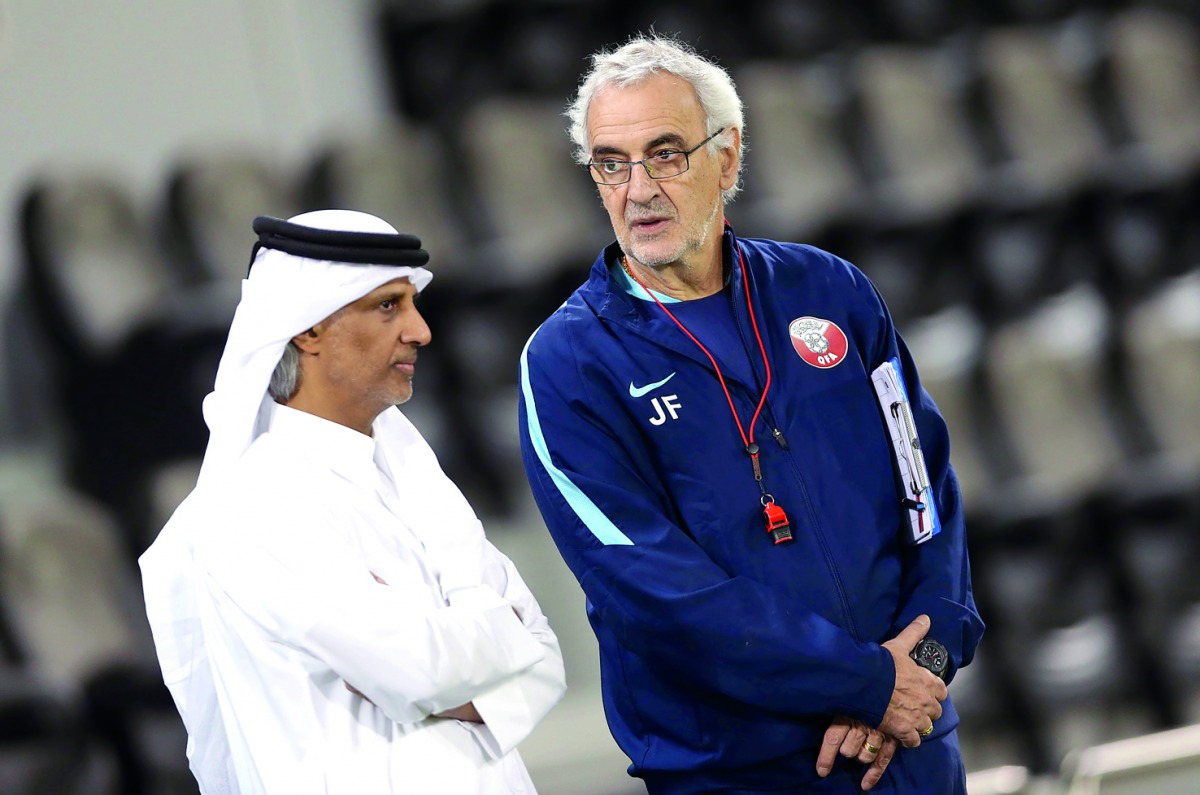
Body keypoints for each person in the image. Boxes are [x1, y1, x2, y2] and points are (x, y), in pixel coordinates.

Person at [517, 35, 984, 794]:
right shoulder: (568, 364)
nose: (636, 190)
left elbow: (925, 491)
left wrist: (919, 665)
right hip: (741, 773)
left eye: (665, 154)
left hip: (912, 748)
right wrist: (865, 682)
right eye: (610, 162)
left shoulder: (831, 291)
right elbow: (656, 590)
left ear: (728, 158)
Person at [140, 210, 566, 794]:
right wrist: (488, 637)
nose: (421, 330)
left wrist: (448, 656)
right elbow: (422, 671)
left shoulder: (414, 476)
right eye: (388, 306)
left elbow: (543, 656)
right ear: (307, 328)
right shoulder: (253, 504)